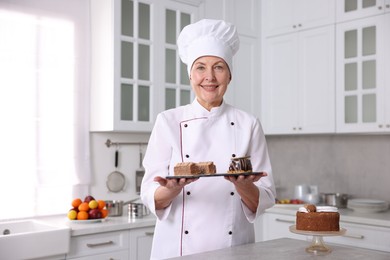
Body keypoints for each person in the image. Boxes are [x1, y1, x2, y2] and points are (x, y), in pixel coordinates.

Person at [140, 19, 276, 259]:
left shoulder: (249, 124)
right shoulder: (168, 121)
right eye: (201, 67)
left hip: (235, 250)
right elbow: (152, 196)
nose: (209, 77)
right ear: (190, 75)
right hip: (177, 250)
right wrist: (171, 190)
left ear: (230, 75)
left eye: (219, 67)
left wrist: (243, 185)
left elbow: (263, 200)